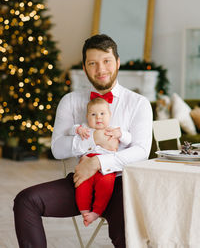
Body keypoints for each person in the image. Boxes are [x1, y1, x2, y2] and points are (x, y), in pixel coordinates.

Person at [13, 34, 153, 248]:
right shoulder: (70, 101)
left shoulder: (138, 103)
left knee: (127, 228)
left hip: (121, 184)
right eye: (92, 63)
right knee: (25, 201)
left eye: (106, 61)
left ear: (117, 62)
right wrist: (93, 139)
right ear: (85, 67)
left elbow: (142, 151)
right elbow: (57, 149)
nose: (100, 69)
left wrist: (98, 163)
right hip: (82, 184)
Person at [70, 97, 132, 226]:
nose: (98, 117)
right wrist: (78, 130)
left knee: (106, 185)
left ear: (109, 115)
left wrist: (119, 134)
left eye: (102, 114)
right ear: (87, 117)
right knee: (81, 185)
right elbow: (70, 130)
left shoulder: (113, 129)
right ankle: (85, 211)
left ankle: (96, 212)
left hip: (106, 166)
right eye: (93, 114)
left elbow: (129, 139)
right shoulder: (86, 128)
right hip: (86, 165)